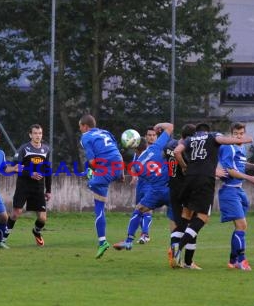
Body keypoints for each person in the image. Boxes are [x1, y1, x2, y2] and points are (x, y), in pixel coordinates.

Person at [173, 123, 252, 269]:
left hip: (189, 178)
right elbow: (223, 141)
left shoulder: (191, 139)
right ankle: (179, 246)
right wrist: (241, 140)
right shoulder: (212, 136)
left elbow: (177, 152)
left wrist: (184, 166)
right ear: (208, 131)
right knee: (203, 217)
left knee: (186, 215)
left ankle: (182, 255)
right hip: (205, 179)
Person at [113, 122, 174, 250]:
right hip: (170, 189)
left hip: (155, 192)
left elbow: (138, 174)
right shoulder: (156, 147)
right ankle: (175, 248)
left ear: (135, 149)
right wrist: (159, 125)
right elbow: (170, 127)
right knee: (175, 218)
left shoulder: (137, 165)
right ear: (146, 144)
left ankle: (129, 241)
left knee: (139, 210)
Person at [218, 122, 254, 270]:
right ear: (231, 134)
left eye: (241, 134)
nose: (239, 136)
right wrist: (248, 177)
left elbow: (240, 163)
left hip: (239, 190)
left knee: (240, 227)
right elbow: (228, 169)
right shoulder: (227, 147)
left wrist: (253, 166)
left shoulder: (241, 146)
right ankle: (242, 260)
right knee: (242, 225)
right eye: (236, 134)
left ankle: (232, 261)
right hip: (229, 190)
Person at [79, 114, 124, 259]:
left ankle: (91, 178)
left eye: (80, 127)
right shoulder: (105, 132)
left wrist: (93, 172)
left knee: (89, 179)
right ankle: (102, 241)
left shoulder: (85, 137)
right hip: (118, 165)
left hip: (106, 169)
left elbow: (92, 162)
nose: (80, 129)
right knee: (99, 206)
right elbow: (116, 151)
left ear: (85, 126)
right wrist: (121, 173)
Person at [4, 124, 51, 247]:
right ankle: (3, 239)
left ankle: (36, 232)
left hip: (39, 187)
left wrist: (49, 189)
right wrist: (30, 173)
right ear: (30, 135)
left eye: (40, 133)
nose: (38, 136)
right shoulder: (24, 149)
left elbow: (48, 170)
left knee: (42, 218)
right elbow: (15, 167)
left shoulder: (46, 149)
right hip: (23, 185)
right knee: (16, 213)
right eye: (35, 133)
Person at [164, 124, 196, 265]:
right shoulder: (186, 150)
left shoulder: (170, 144)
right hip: (185, 190)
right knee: (191, 224)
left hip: (173, 188)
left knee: (180, 223)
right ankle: (184, 259)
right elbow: (189, 169)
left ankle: (175, 257)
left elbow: (163, 154)